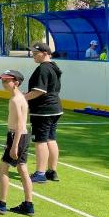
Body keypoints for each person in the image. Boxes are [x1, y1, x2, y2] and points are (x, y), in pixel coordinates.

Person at [0, 69, 35, 216]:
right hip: (21, 136)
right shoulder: (18, 97)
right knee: (22, 169)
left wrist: (14, 145)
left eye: (7, 81)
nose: (3, 83)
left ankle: (1, 203)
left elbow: (20, 124)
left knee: (3, 168)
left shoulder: (16, 99)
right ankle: (28, 204)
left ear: (16, 83)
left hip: (17, 136)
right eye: (2, 80)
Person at [25, 42, 63, 183]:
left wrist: (23, 97)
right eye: (33, 53)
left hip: (43, 110)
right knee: (51, 139)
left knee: (40, 141)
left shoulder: (43, 68)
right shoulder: (53, 66)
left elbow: (39, 91)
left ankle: (40, 173)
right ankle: (52, 171)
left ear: (45, 53)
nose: (34, 56)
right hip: (55, 108)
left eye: (36, 53)